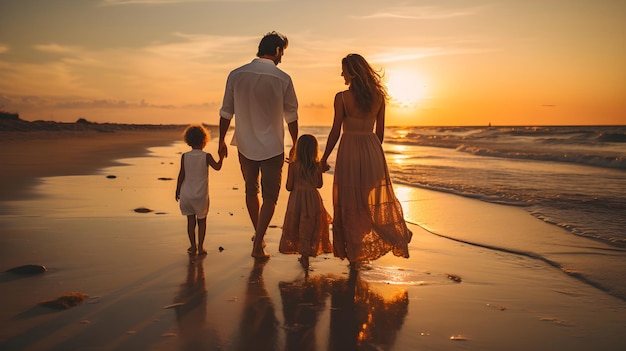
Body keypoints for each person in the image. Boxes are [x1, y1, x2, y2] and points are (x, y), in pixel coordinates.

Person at [320, 53, 412, 265]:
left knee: (351, 201)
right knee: (368, 200)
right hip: (372, 150)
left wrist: (324, 157)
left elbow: (335, 130)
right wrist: (373, 154)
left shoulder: (341, 97)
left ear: (352, 72)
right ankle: (389, 236)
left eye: (343, 69)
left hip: (350, 150)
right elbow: (380, 133)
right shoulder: (378, 97)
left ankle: (354, 250)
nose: (341, 73)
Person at [218, 31, 299, 259]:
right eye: (282, 52)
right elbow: (291, 115)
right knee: (270, 196)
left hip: (244, 143)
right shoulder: (283, 78)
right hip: (273, 145)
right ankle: (258, 243)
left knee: (250, 190)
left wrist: (222, 140)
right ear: (276, 51)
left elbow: (226, 111)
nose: (282, 57)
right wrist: (295, 143)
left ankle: (259, 237)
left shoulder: (236, 75)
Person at [279, 134, 333, 269]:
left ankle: (303, 257)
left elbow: (289, 187)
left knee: (298, 224)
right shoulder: (317, 166)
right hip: (313, 200)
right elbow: (319, 185)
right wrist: (320, 171)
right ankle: (307, 255)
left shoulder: (293, 166)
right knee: (310, 225)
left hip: (297, 200)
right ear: (315, 150)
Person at [176, 125, 223, 255]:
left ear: (189, 140)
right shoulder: (206, 156)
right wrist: (222, 156)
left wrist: (177, 190)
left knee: (190, 222)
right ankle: (201, 247)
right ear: (204, 140)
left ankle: (192, 246)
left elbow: (181, 175)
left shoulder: (185, 156)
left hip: (187, 194)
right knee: (202, 222)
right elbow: (218, 167)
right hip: (201, 195)